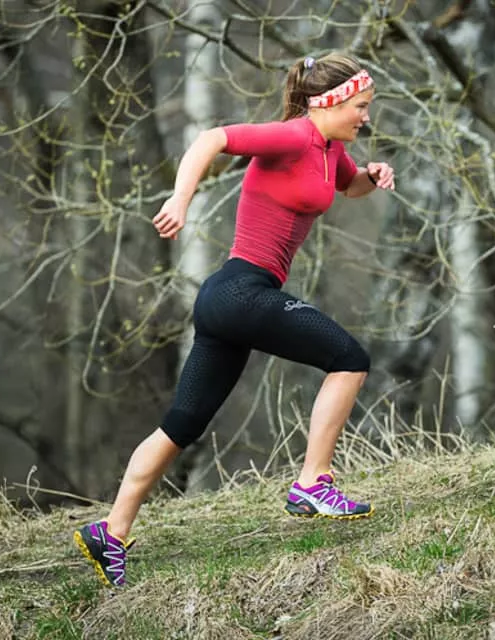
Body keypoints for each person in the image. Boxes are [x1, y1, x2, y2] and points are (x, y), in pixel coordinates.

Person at [73, 53, 395, 588]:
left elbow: (348, 187)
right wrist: (181, 199)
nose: (366, 116)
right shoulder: (292, 136)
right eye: (360, 106)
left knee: (182, 425)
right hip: (241, 292)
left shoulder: (330, 151)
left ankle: (111, 531)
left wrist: (370, 175)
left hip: (230, 300)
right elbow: (212, 139)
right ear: (327, 102)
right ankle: (313, 483)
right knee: (349, 360)